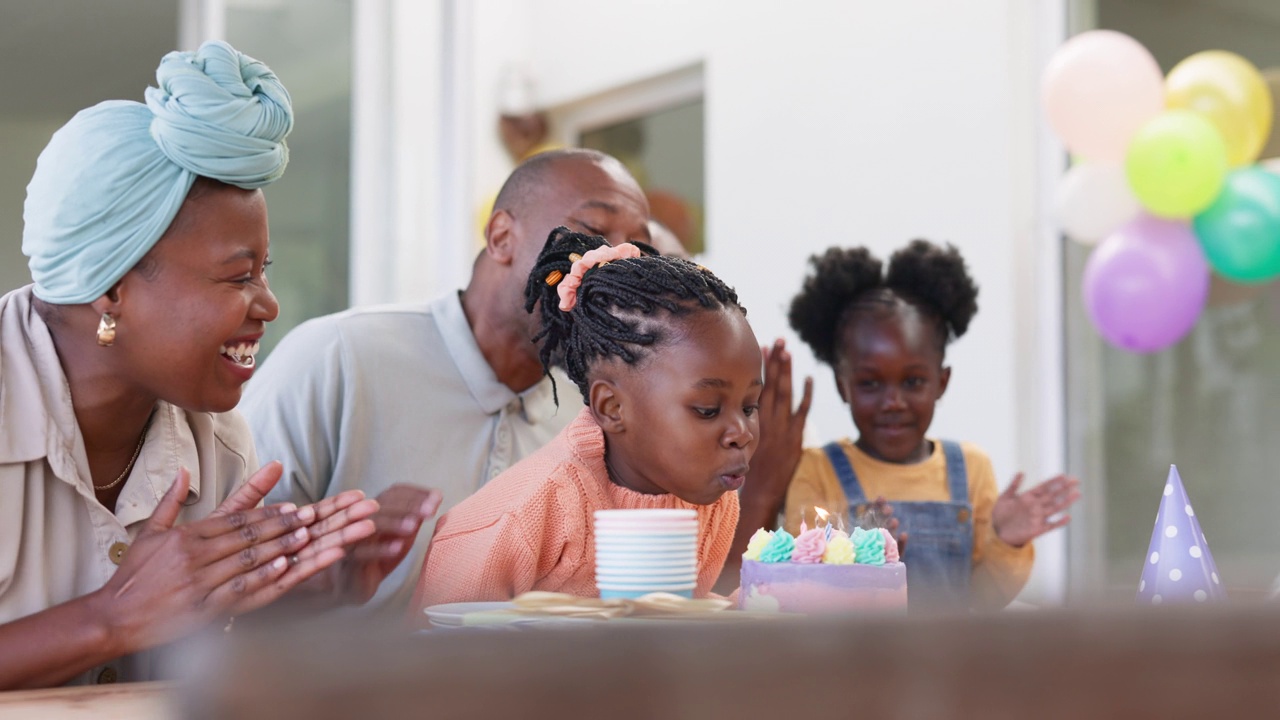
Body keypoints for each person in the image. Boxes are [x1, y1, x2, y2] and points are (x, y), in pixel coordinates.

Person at [0, 41, 399, 690]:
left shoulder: (214, 440)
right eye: (238, 276)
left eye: (263, 271)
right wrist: (110, 618)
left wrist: (290, 601)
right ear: (112, 289)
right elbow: (125, 626)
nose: (267, 304)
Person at [241, 149, 652, 613]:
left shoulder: (595, 417)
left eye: (639, 248)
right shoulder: (338, 356)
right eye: (594, 234)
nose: (620, 267)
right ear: (501, 237)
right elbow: (226, 581)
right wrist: (322, 575)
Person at [409, 228, 759, 610]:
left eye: (749, 406)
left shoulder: (710, 501)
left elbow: (669, 622)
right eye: (708, 409)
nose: (740, 433)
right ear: (611, 408)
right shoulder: (520, 517)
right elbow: (436, 652)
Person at [753, 241, 1080, 610]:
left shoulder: (970, 469)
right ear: (842, 386)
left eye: (912, 382)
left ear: (941, 382)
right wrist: (869, 565)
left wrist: (1007, 540)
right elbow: (806, 591)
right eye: (870, 384)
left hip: (953, 661)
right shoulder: (818, 470)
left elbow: (982, 602)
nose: (893, 402)